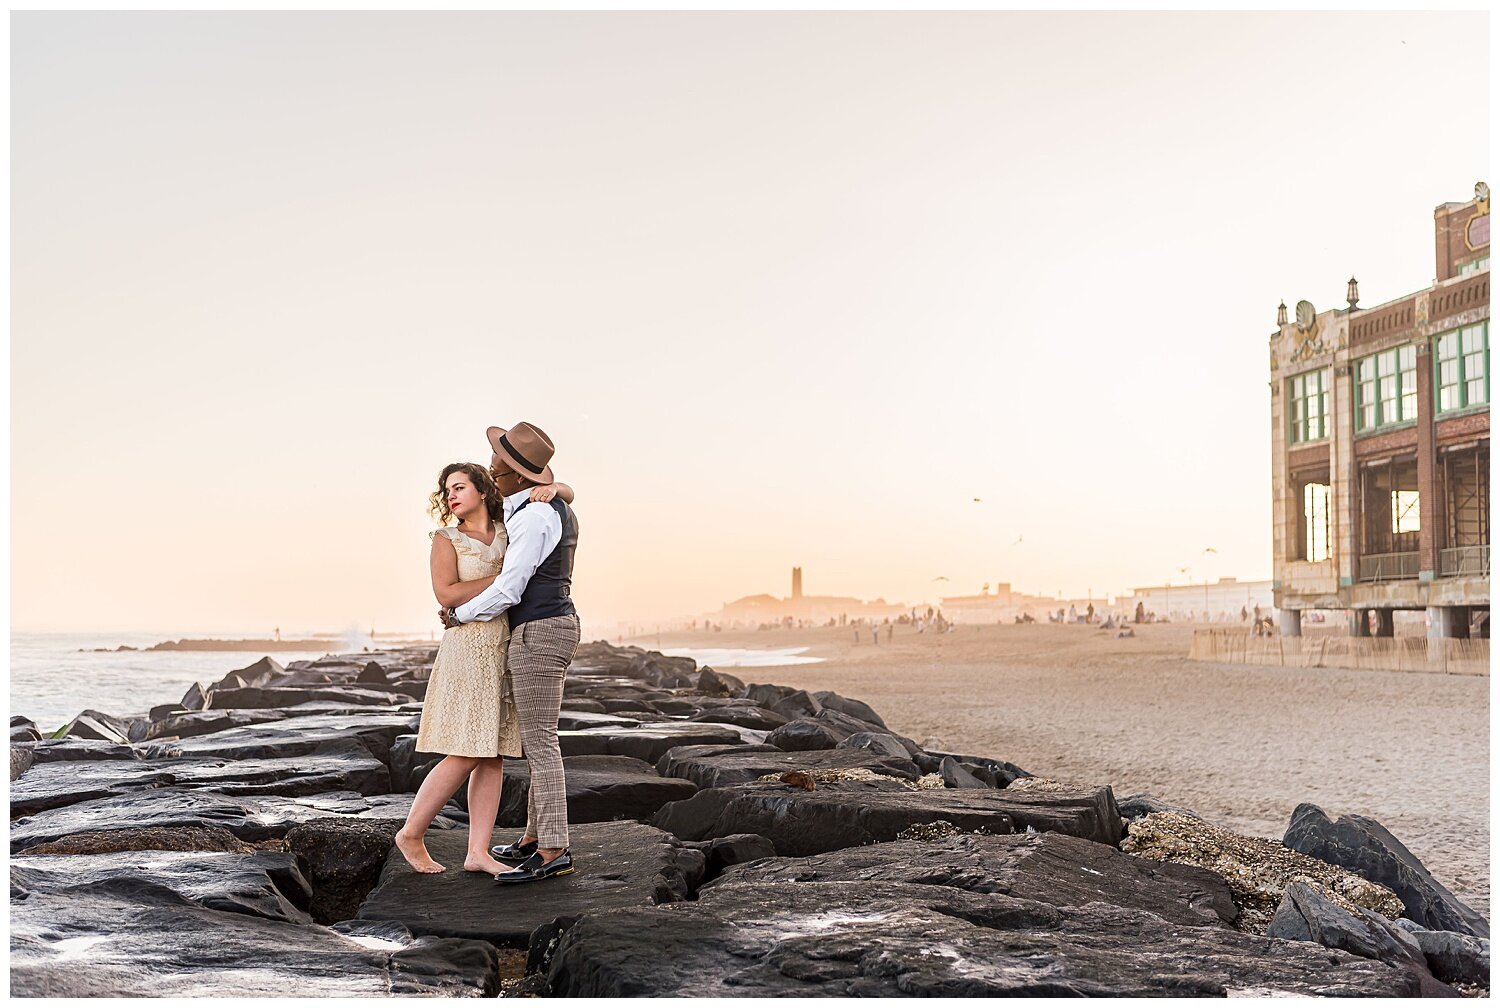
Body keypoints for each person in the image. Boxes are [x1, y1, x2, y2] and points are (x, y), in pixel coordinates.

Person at [394, 462, 573, 875]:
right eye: (447, 490)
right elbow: (446, 594)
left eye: (460, 487)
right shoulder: (446, 538)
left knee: (492, 755)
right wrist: (503, 577)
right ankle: (411, 833)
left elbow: (556, 496)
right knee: (468, 749)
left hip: (503, 644)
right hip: (468, 645)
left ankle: (478, 852)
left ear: (483, 489)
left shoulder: (509, 523)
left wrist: (558, 486)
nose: (452, 496)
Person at [439, 423, 582, 885]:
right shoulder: (541, 505)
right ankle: (531, 839)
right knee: (538, 738)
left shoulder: (533, 517)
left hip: (540, 630)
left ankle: (554, 848)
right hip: (551, 625)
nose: (493, 475)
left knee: (540, 743)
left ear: (521, 478)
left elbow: (510, 587)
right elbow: (564, 493)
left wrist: (461, 616)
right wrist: (558, 485)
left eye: (498, 471)